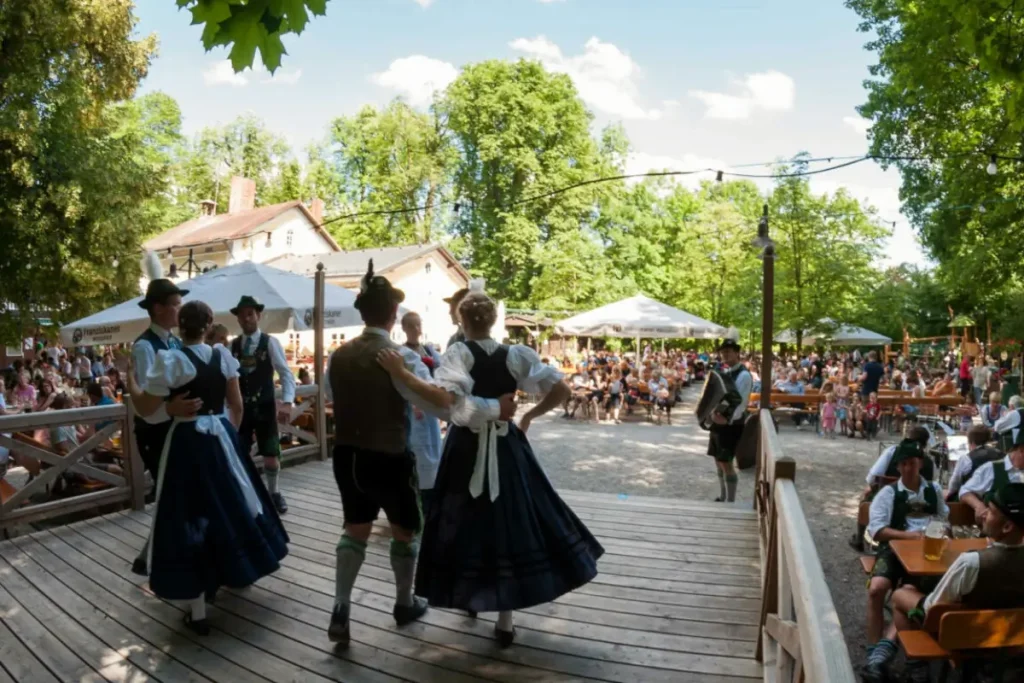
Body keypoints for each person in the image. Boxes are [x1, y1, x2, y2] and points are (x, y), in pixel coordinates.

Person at [377, 288, 604, 648]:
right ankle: (505, 619)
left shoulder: (458, 353)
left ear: (462, 321)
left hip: (466, 448)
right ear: (494, 322)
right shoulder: (515, 355)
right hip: (506, 446)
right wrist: (529, 416)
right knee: (508, 522)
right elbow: (561, 388)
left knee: (465, 521)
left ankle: (472, 595)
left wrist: (402, 374)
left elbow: (445, 400)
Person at [325, 263, 517, 647]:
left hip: (346, 455)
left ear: (363, 313)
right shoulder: (401, 358)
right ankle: (403, 602)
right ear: (393, 315)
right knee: (405, 529)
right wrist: (494, 407)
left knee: (355, 529)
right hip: (389, 455)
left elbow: (332, 398)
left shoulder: (338, 356)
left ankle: (341, 607)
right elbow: (443, 407)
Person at [127, 300, 288, 635]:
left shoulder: (170, 360)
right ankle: (239, 574)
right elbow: (237, 405)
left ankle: (197, 609)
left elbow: (145, 407)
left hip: (187, 442)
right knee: (231, 506)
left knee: (189, 516)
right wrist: (227, 435)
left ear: (180, 327)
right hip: (221, 438)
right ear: (209, 324)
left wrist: (131, 381)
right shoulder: (222, 356)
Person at [868, 483, 1024, 683]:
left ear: (1007, 526)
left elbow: (933, 608)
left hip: (965, 638)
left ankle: (916, 668)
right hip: (1015, 637)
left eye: (991, 512)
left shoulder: (972, 563)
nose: (983, 514)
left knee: (902, 595)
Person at [130, 257, 201, 576]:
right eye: (175, 304)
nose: (180, 309)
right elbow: (146, 398)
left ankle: (149, 557)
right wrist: (169, 409)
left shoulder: (172, 341)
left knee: (173, 493)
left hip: (172, 426)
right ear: (158, 308)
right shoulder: (145, 347)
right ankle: (162, 559)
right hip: (155, 430)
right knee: (171, 491)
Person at [861, 440, 947, 680]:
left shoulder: (934, 490)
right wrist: (909, 535)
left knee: (908, 591)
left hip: (925, 555)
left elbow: (943, 519)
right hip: (893, 550)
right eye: (904, 464)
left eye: (913, 462)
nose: (909, 468)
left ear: (919, 463)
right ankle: (873, 645)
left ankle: (880, 656)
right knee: (876, 589)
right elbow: (877, 530)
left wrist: (941, 532)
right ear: (898, 467)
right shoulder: (888, 493)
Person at [230, 295, 296, 515]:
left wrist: (287, 401)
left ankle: (274, 492)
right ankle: (247, 493)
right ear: (238, 319)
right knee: (240, 452)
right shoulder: (234, 345)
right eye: (242, 315)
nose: (246, 319)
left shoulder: (270, 342)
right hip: (241, 409)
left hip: (266, 405)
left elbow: (286, 373)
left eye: (250, 314)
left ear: (258, 315)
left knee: (270, 452)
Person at [849, 426, 934, 551]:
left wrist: (868, 489)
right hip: (917, 502)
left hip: (889, 497)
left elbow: (873, 477)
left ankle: (860, 539)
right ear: (925, 443)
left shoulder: (892, 451)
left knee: (864, 501)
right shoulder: (928, 462)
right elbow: (930, 485)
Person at [401, 311, 443, 516]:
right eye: (412, 326)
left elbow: (441, 370)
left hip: (430, 406)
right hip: (414, 408)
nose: (417, 329)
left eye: (419, 325)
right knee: (417, 452)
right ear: (405, 328)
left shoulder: (428, 349)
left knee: (433, 449)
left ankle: (431, 498)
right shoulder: (403, 352)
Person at [706, 338, 753, 503]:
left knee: (726, 462)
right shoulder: (725, 373)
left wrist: (727, 420)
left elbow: (740, 402)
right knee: (718, 460)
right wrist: (711, 412)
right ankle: (723, 495)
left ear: (737, 352)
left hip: (731, 425)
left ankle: (730, 502)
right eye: (723, 351)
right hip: (717, 422)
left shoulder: (744, 375)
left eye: (729, 351)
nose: (725, 354)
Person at [958, 408, 1024, 522]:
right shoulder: (992, 469)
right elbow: (965, 491)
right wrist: (979, 506)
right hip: (997, 534)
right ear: (1021, 450)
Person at [946, 425, 1003, 501]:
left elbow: (954, 485)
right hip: (997, 499)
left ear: (972, 442)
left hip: (972, 501)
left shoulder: (966, 459)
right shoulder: (1001, 454)